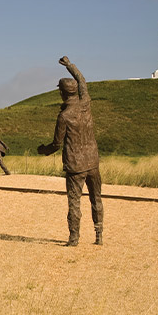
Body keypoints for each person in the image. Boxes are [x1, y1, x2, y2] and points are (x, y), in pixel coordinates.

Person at [37, 56, 104, 246]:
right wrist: (70, 66)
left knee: (74, 201)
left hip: (76, 165)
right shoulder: (86, 104)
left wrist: (43, 150)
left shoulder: (64, 116)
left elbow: (56, 144)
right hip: (93, 160)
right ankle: (99, 235)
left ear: (62, 94)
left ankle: (74, 238)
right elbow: (82, 81)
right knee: (96, 198)